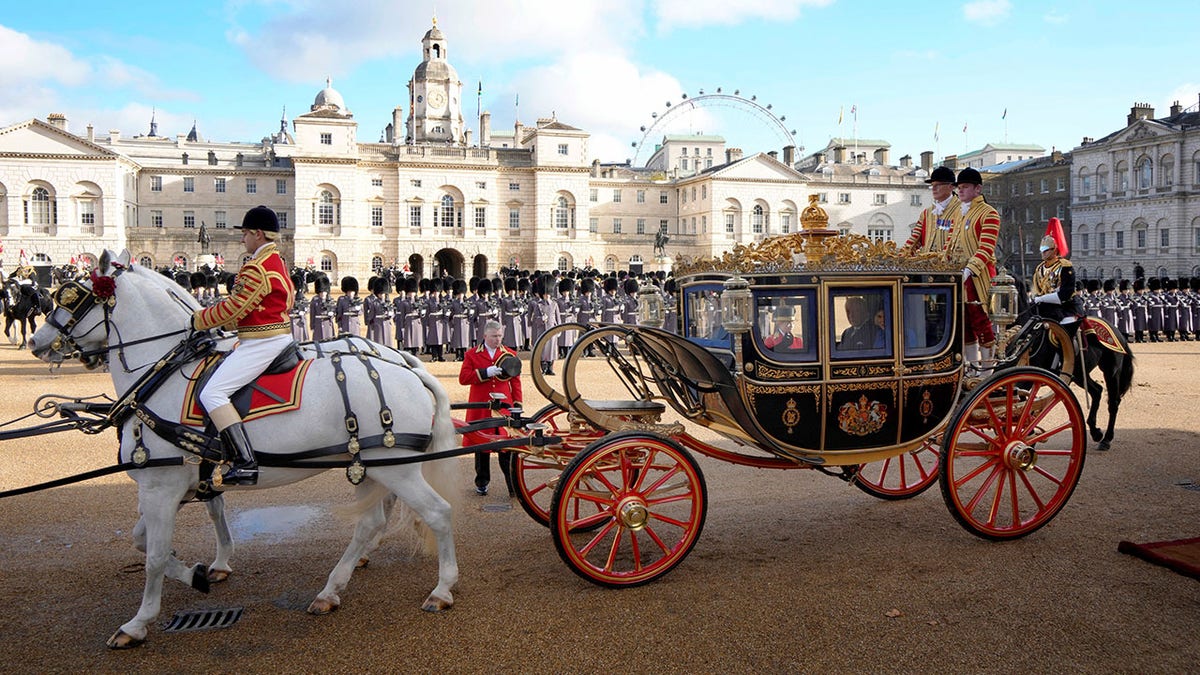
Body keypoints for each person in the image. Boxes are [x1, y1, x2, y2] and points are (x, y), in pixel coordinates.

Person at [192, 205, 295, 486]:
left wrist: (196, 320)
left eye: (246, 233)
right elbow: (283, 303)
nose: (242, 239)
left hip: (262, 342)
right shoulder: (276, 261)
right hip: (269, 336)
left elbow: (234, 306)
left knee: (212, 393)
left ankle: (245, 461)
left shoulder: (257, 267)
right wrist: (230, 326)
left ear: (258, 234)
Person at [459, 320, 522, 496]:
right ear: (485, 336)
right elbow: (463, 378)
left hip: (503, 407)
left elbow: (516, 383)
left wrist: (517, 405)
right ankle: (482, 482)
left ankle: (512, 486)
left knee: (506, 447)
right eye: (494, 336)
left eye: (500, 335)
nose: (498, 339)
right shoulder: (472, 354)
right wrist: (485, 373)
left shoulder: (510, 354)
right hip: (481, 406)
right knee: (481, 447)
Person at [949, 168, 1000, 367]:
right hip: (960, 275)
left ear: (977, 189)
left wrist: (970, 269)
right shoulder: (960, 214)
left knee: (980, 321)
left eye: (965, 187)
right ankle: (972, 367)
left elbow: (986, 247)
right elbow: (950, 245)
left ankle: (987, 369)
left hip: (979, 276)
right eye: (959, 188)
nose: (960, 191)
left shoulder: (989, 213)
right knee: (964, 324)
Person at [1030, 227, 1081, 340]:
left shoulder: (1065, 267)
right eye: (1041, 248)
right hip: (1045, 309)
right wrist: (1035, 298)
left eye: (1046, 249)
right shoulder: (1039, 268)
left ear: (1055, 249)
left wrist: (1042, 298)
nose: (1043, 252)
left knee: (1063, 336)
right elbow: (1036, 290)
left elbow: (1065, 294)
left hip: (1065, 308)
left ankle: (1068, 356)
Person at [904, 166, 960, 255]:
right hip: (929, 266)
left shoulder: (961, 210)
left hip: (952, 266)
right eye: (932, 185)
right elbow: (914, 240)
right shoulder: (927, 213)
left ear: (951, 186)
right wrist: (903, 254)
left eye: (938, 185)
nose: (934, 189)